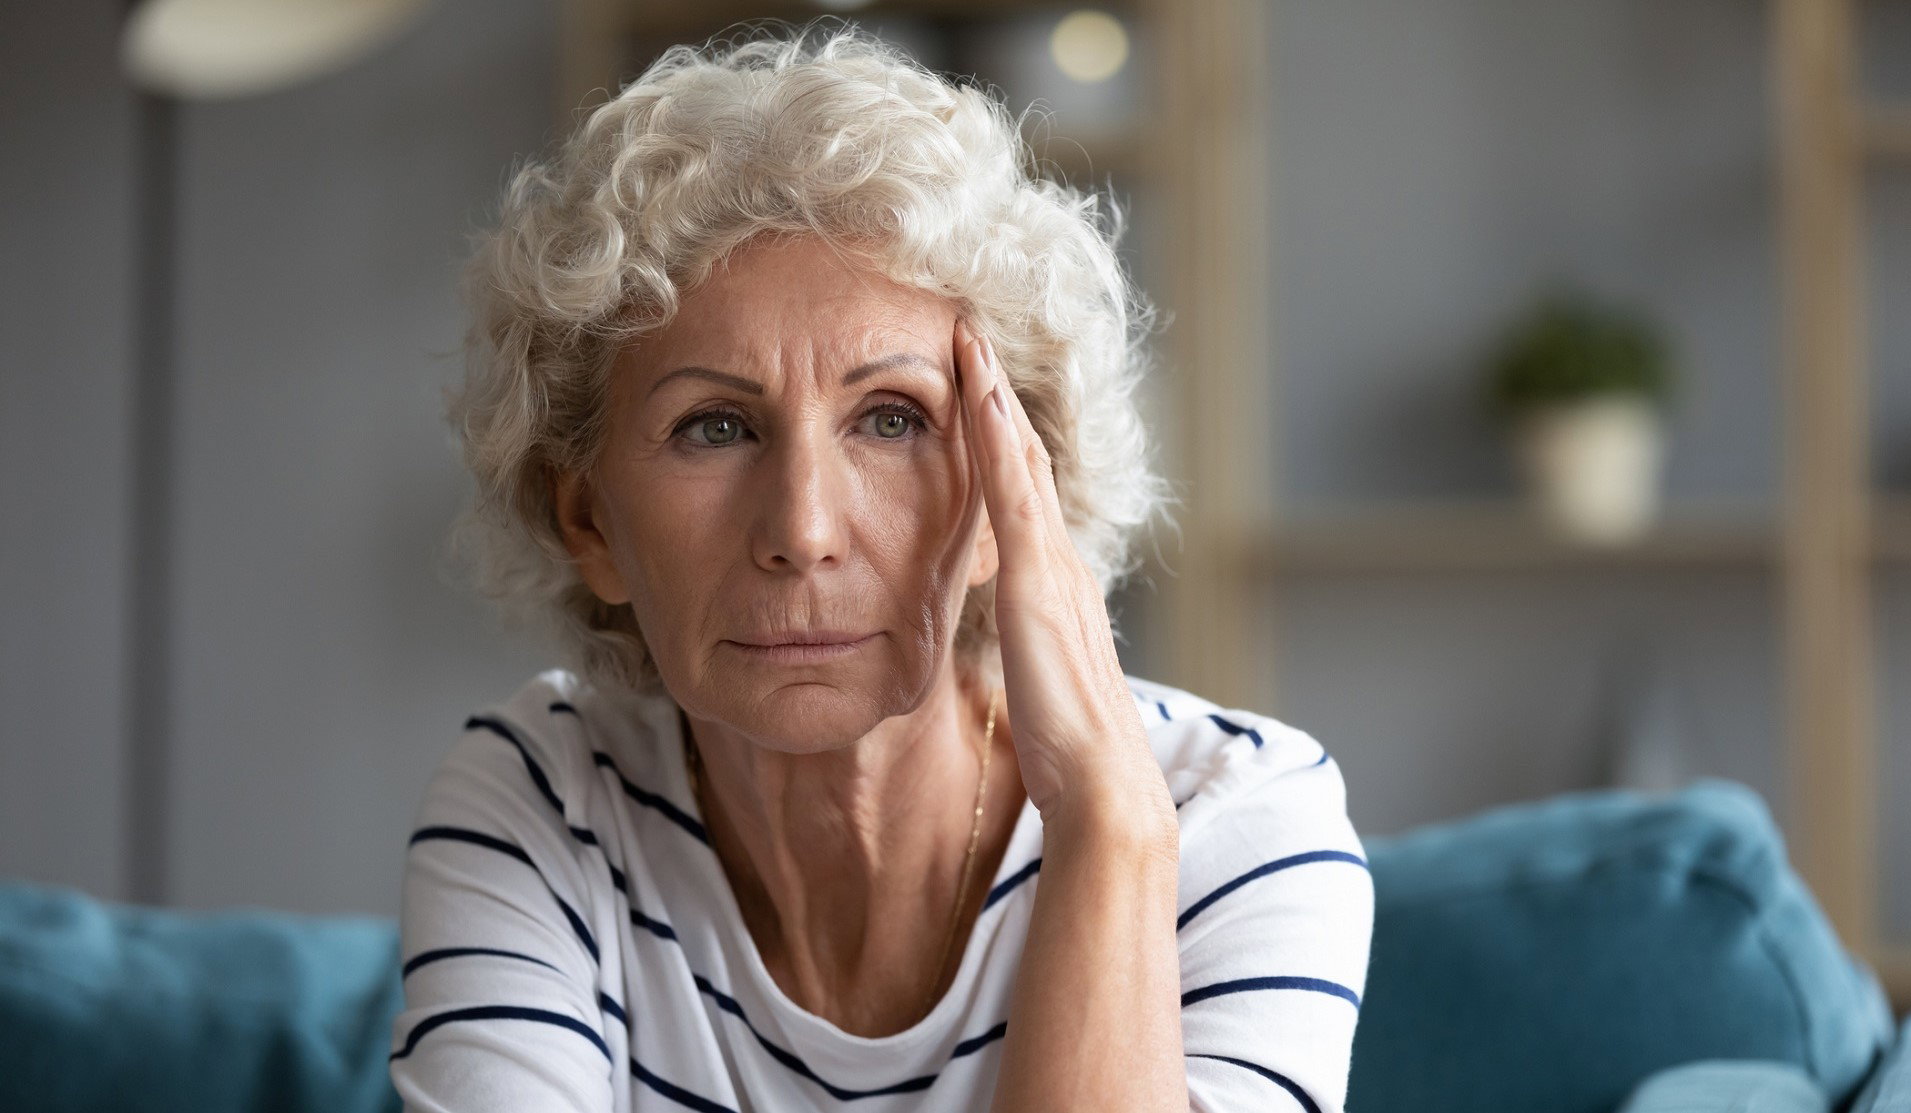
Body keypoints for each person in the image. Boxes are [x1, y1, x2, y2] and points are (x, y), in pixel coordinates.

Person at [390, 22, 1373, 1113]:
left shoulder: (1236, 819)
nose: (804, 529)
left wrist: (1108, 829)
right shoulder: (542, 798)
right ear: (589, 524)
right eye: (714, 427)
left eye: (892, 419)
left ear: (1010, 494)